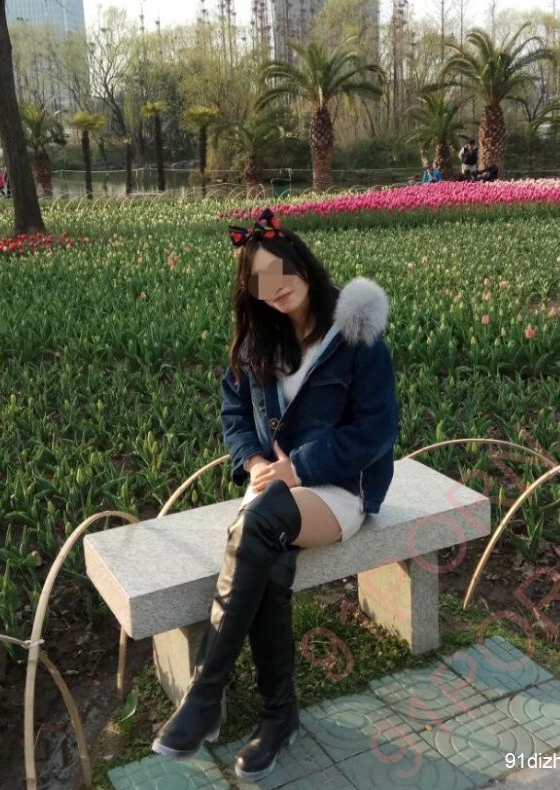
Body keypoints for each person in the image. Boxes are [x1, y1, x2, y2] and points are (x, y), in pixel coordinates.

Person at [152, 206, 400, 781]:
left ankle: (205, 694)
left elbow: (376, 431)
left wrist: (299, 467)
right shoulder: (256, 342)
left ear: (303, 265)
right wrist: (256, 460)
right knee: (266, 554)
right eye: (260, 280)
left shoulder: (355, 338)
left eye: (281, 271)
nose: (276, 286)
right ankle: (278, 716)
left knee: (259, 526)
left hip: (340, 488)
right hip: (274, 490)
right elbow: (234, 414)